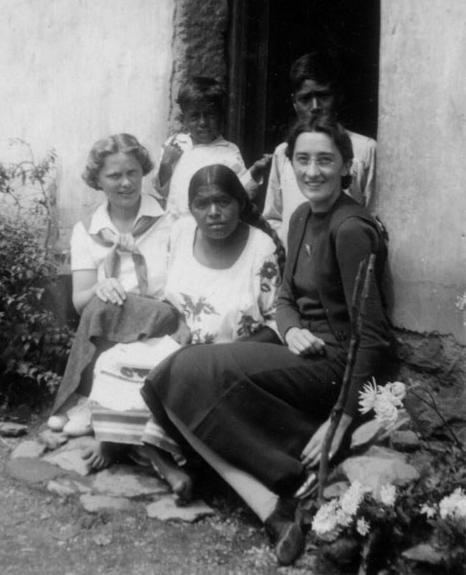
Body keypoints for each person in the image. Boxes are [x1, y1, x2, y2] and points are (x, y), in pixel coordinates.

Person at [141, 118, 390, 565]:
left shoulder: (351, 228)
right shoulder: (300, 216)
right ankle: (272, 509)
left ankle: (290, 471)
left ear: (346, 165)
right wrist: (291, 327)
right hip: (299, 350)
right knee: (174, 376)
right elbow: (286, 298)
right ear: (289, 164)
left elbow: (371, 336)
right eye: (303, 160)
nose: (313, 171)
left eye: (325, 161)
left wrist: (343, 416)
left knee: (189, 369)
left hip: (336, 367)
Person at [88, 163, 284, 496]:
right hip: (177, 347)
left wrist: (226, 355)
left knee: (174, 388)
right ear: (191, 208)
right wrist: (178, 321)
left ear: (240, 203)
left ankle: (144, 451)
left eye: (224, 202)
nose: (214, 213)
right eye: (202, 204)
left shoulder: (260, 248)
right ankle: (124, 440)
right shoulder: (180, 233)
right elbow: (167, 296)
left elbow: (276, 321)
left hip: (230, 361)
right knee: (113, 361)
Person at [48, 134, 178, 469]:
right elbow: (80, 302)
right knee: (101, 303)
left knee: (107, 307)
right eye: (114, 176)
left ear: (143, 172)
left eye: (132, 172)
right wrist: (101, 286)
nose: (125, 183)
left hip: (161, 324)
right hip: (110, 328)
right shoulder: (87, 230)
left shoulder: (170, 221)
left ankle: (80, 401)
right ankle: (94, 403)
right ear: (98, 181)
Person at [263, 51, 377, 249]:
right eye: (305, 99)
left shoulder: (365, 150)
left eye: (323, 96)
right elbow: (274, 217)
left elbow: (375, 218)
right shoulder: (283, 152)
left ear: (338, 96)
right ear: (294, 103)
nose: (315, 107)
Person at [153, 76, 271, 219]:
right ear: (183, 119)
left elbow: (242, 194)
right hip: (175, 224)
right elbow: (162, 191)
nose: (203, 122)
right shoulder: (175, 144)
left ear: (221, 116)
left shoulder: (228, 151)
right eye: (195, 116)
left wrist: (255, 171)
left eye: (210, 115)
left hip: (210, 227)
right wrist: (166, 163)